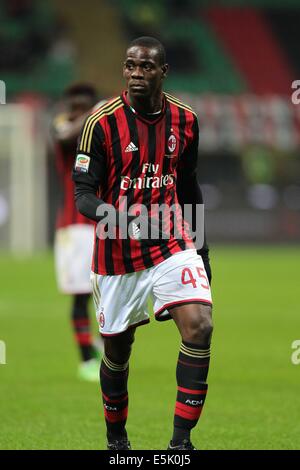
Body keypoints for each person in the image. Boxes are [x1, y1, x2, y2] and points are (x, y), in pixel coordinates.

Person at [73, 37, 213, 449]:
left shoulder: (185, 120)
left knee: (200, 326)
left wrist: (201, 250)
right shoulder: (100, 122)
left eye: (146, 67)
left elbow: (187, 186)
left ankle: (179, 446)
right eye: (131, 66)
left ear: (162, 72)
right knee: (117, 352)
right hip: (116, 254)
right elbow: (83, 195)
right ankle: (117, 441)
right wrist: (123, 222)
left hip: (171, 241)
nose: (137, 73)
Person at [52, 83, 104, 382]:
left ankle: (98, 346)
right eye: (74, 107)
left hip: (102, 225)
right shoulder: (62, 125)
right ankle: (85, 361)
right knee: (80, 296)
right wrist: (95, 112)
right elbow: (65, 134)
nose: (77, 112)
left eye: (83, 106)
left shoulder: (101, 132)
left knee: (108, 293)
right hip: (74, 229)